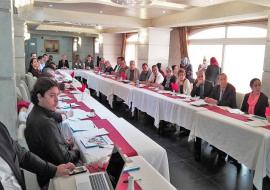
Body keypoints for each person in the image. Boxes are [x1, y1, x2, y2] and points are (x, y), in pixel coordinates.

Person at [25, 77, 80, 188]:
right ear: (39, 97)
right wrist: (77, 150)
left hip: (45, 168)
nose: (56, 100)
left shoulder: (36, 111)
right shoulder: (45, 123)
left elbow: (49, 143)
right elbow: (66, 159)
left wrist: (63, 143)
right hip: (52, 179)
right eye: (51, 96)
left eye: (57, 95)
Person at [0, 121, 75, 190]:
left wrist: (54, 170)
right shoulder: (45, 123)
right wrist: (76, 152)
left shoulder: (1, 129)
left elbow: (23, 156)